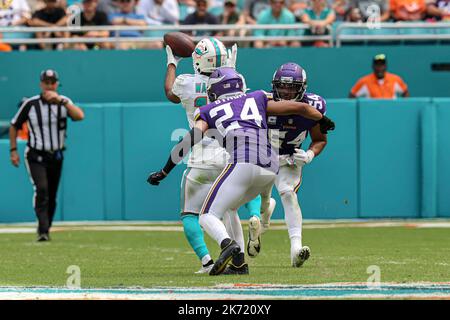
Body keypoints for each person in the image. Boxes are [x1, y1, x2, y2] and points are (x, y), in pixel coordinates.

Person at [148, 67, 335, 275]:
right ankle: (239, 262)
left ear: (213, 91)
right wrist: (322, 119)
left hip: (243, 161)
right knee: (231, 208)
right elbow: (300, 108)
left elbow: (187, 142)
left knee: (206, 216)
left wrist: (164, 171)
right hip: (271, 164)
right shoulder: (257, 98)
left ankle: (228, 244)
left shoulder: (208, 110)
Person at [162, 38, 270, 274]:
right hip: (230, 152)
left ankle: (208, 262)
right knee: (230, 208)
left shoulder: (187, 83)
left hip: (200, 156)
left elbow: (170, 93)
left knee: (192, 214)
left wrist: (172, 63)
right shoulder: (235, 81)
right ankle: (249, 231)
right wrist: (231, 69)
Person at [9, 70, 84, 241]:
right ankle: (43, 230)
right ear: (41, 84)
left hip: (56, 155)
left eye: (52, 82)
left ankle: (46, 227)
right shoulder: (30, 104)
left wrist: (62, 101)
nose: (49, 85)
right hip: (35, 154)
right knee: (41, 189)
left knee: (51, 194)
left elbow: (80, 116)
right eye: (46, 82)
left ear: (57, 84)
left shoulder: (64, 102)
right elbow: (14, 125)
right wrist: (13, 151)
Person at [266, 62, 328, 267]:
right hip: (260, 157)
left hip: (288, 159)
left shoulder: (315, 105)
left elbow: (320, 139)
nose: (285, 91)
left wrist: (310, 154)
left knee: (287, 193)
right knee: (246, 200)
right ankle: (260, 223)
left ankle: (296, 249)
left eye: (291, 87)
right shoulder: (262, 102)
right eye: (281, 86)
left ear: (301, 88)